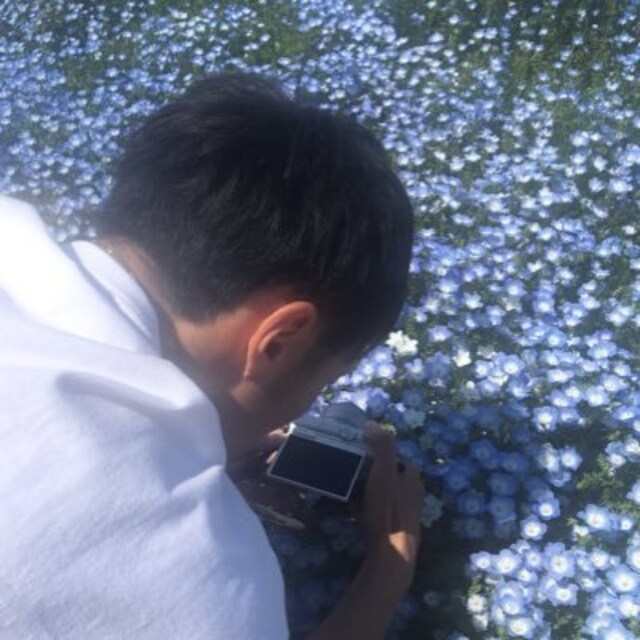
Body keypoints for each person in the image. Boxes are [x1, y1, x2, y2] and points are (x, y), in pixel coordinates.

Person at [0, 72, 423, 639]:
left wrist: (191, 450)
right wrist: (389, 565)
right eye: (325, 380)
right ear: (279, 339)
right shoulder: (204, 589)